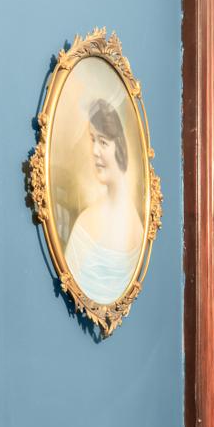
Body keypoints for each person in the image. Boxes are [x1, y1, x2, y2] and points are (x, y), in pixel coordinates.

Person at [61, 99, 145, 304]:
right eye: (93, 140)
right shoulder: (86, 222)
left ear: (120, 146)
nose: (95, 151)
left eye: (103, 142)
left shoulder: (138, 227)